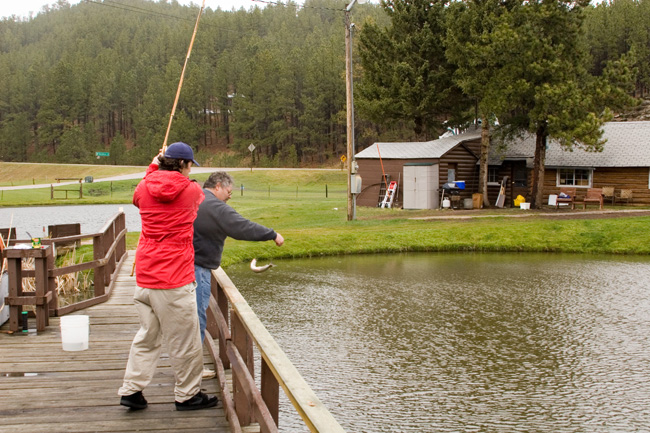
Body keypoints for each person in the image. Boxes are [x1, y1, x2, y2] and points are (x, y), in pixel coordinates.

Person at [118, 142, 219, 411]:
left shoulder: (143, 187)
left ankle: (131, 390)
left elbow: (143, 191)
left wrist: (154, 166)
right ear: (185, 165)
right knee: (184, 340)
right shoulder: (192, 190)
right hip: (174, 278)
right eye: (189, 165)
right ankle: (187, 395)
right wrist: (162, 168)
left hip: (146, 276)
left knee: (147, 337)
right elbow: (192, 196)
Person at [193, 171, 284, 344]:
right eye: (228, 192)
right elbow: (241, 227)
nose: (229, 197)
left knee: (190, 318)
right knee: (197, 319)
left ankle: (189, 366)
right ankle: (193, 369)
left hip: (184, 266)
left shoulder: (197, 197)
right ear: (218, 186)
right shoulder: (215, 206)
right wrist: (272, 234)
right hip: (198, 269)